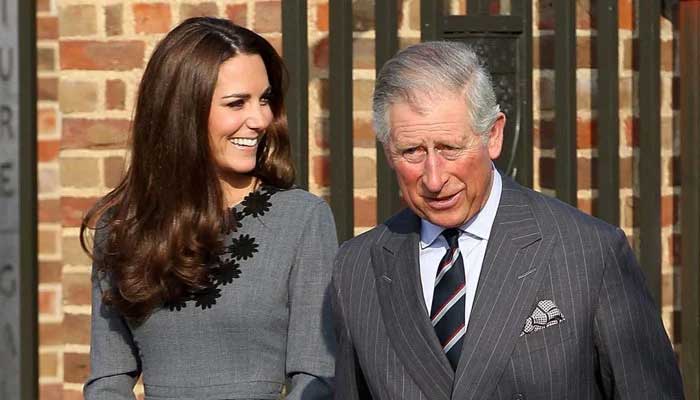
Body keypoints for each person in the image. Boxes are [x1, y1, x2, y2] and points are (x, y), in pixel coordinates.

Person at [331, 41, 683, 399]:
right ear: (388, 151)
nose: (434, 178)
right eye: (412, 151)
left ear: (494, 135)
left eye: (450, 148)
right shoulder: (357, 269)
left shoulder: (588, 254)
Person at [81, 17, 336, 399]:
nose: (260, 119)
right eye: (237, 103)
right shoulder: (122, 227)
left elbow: (317, 377)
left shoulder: (301, 219)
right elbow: (108, 381)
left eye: (265, 99)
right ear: (182, 111)